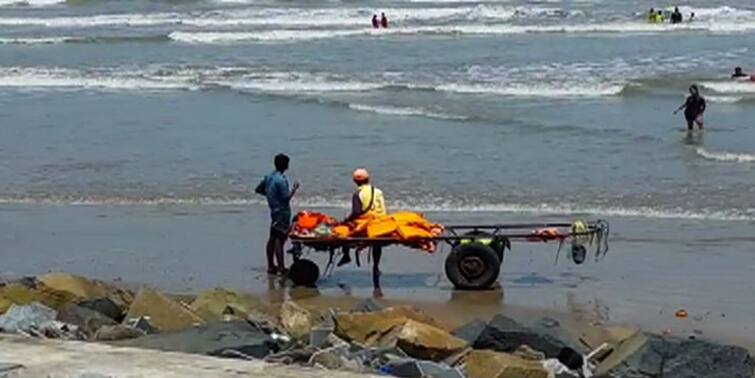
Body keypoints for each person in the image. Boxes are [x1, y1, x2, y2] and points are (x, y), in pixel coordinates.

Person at [340, 168, 387, 293]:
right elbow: (383, 210)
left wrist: (345, 220)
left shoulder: (358, 194)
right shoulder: (378, 191)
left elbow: (356, 212)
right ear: (369, 179)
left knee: (343, 230)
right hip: (381, 225)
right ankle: (376, 268)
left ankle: (346, 255)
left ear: (355, 181)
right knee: (377, 247)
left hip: (367, 225)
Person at [255, 154, 299, 275]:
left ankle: (270, 265)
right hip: (282, 212)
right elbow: (286, 198)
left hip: (274, 210)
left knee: (272, 238)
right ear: (285, 165)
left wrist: (271, 195)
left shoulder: (269, 176)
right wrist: (294, 189)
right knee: (280, 239)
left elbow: (258, 189)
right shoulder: (281, 179)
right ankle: (281, 267)